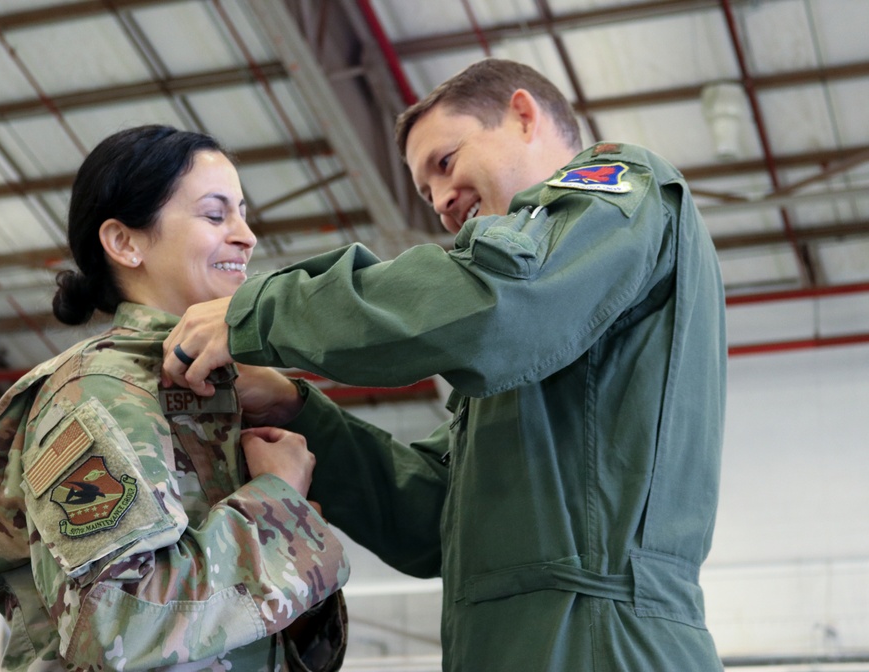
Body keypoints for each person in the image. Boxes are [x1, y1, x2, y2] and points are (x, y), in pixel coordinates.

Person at [162, 58, 726, 671]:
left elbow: (498, 306)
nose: (441, 202)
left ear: (522, 114)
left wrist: (262, 312)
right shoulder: (533, 349)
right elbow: (435, 519)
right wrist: (298, 411)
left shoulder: (624, 189)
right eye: (426, 192)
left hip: (601, 644)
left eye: (446, 162)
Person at [0, 125, 349, 672]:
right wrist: (276, 504)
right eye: (216, 215)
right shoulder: (96, 392)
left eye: (242, 213)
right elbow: (119, 621)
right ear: (125, 242)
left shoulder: (223, 389)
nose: (246, 236)